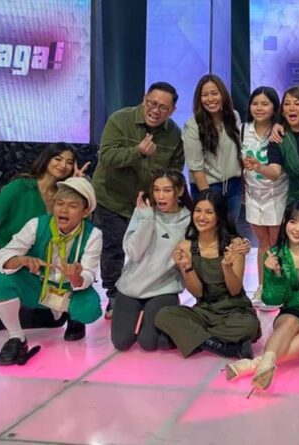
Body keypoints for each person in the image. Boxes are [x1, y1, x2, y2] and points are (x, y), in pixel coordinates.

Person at [0, 143, 88, 359]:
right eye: (58, 159)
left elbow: (78, 231)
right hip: (3, 253)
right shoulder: (19, 188)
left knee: (53, 321)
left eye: (69, 162)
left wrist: (78, 188)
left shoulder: (62, 196)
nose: (63, 165)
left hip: (36, 262)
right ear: (46, 159)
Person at [92, 81, 185, 318]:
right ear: (144, 99)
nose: (156, 110)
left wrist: (166, 197)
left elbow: (174, 170)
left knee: (146, 249)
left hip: (147, 203)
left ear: (172, 110)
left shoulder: (174, 135)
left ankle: (144, 291)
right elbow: (107, 156)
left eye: (163, 107)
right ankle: (114, 294)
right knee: (113, 248)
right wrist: (137, 152)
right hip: (112, 197)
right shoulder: (120, 120)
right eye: (152, 103)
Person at [225, 200, 299, 392]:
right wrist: (276, 275)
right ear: (285, 222)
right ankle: (265, 365)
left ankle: (257, 364)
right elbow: (272, 300)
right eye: (293, 222)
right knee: (290, 322)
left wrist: (294, 296)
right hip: (290, 312)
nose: (298, 229)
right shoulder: (274, 254)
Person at [0, 177, 103, 365]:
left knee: (89, 310)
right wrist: (20, 260)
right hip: (37, 284)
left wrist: (76, 277)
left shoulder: (94, 234)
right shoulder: (36, 225)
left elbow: (89, 274)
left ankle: (73, 317)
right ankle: (17, 338)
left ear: (85, 212)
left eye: (72, 206)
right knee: (1, 282)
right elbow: (0, 258)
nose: (63, 210)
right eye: (59, 204)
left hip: (69, 288)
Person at [155, 190, 260, 359]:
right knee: (163, 315)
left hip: (234, 310)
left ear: (219, 216)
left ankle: (190, 338)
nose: (201, 217)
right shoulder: (185, 246)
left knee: (249, 326)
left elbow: (235, 290)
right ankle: (224, 347)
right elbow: (198, 293)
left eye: (209, 212)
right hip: (204, 310)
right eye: (197, 211)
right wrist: (187, 267)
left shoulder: (234, 244)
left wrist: (226, 267)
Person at [111, 170, 192, 352]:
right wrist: (147, 219)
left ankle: (163, 319)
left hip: (163, 289)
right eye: (156, 190)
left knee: (149, 342)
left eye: (167, 190)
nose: (160, 196)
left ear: (179, 191)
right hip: (131, 287)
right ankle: (141, 315)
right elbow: (133, 253)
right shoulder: (143, 212)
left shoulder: (189, 220)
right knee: (121, 342)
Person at [245, 86, 299, 227]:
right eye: (287, 104)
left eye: (297, 103)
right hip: (298, 207)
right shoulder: (278, 137)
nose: (291, 108)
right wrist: (259, 167)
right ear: (282, 110)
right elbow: (274, 173)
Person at [240, 86, 286, 307]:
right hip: (253, 195)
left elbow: (276, 171)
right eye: (255, 103)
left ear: (274, 108)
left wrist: (258, 166)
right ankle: (261, 286)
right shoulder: (243, 129)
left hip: (277, 194)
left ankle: (278, 287)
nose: (259, 108)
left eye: (265, 104)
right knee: (263, 243)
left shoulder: (279, 131)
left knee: (276, 244)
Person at [183, 74, 244, 224]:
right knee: (211, 231)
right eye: (205, 95)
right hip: (208, 186)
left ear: (223, 95)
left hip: (234, 186)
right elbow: (195, 167)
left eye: (215, 93)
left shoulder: (234, 117)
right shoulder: (193, 126)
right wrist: (207, 197)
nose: (210, 99)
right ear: (199, 99)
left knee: (230, 230)